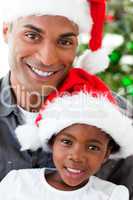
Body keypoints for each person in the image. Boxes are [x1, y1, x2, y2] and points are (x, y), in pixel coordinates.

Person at [0, 0, 133, 198]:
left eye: (64, 42)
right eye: (32, 36)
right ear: (6, 32)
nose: (47, 59)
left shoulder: (119, 118)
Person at [0, 68, 132, 199]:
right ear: (52, 142)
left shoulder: (112, 195)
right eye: (67, 142)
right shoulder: (17, 182)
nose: (76, 157)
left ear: (106, 154)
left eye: (93, 147)